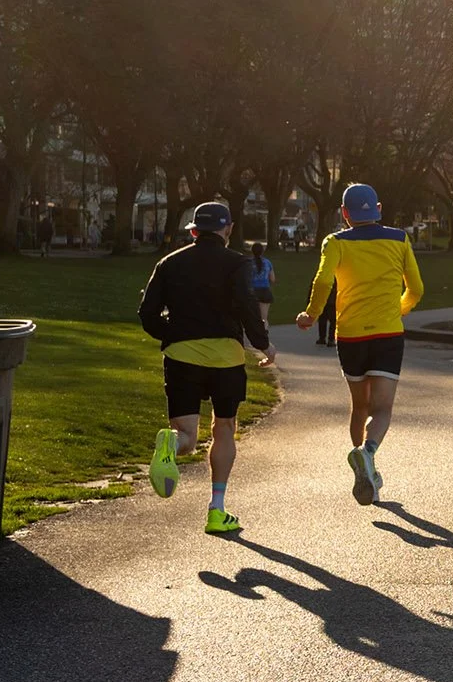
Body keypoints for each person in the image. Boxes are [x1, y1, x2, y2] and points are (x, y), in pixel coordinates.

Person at [138, 201, 274, 534]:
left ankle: (170, 445)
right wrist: (263, 344)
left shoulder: (169, 262)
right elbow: (246, 306)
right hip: (226, 358)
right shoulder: (237, 263)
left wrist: (173, 334)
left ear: (195, 231)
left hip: (181, 356)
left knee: (186, 435)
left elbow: (147, 313)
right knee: (223, 428)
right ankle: (217, 510)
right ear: (228, 230)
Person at [296, 182, 424, 505]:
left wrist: (311, 314)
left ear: (344, 213)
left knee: (360, 407)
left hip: (350, 335)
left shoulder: (335, 242)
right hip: (387, 334)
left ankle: (364, 467)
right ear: (378, 209)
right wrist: (399, 309)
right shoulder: (399, 238)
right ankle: (368, 453)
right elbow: (416, 289)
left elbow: (323, 280)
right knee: (382, 410)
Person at [248, 240, 275, 329]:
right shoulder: (267, 263)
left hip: (252, 291)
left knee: (252, 317)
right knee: (264, 318)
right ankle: (264, 333)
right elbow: (272, 279)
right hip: (265, 291)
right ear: (262, 251)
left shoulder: (248, 263)